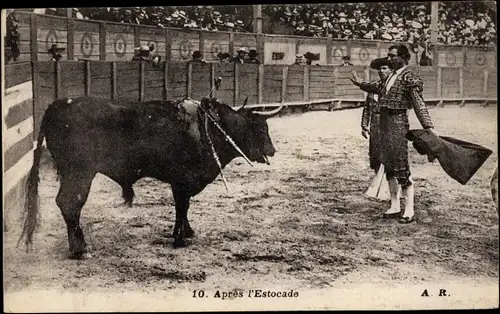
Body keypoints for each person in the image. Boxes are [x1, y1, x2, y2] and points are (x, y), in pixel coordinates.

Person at [351, 44, 435, 224]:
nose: (389, 59)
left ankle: (409, 210)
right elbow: (376, 87)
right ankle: (395, 205)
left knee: (400, 164)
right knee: (388, 164)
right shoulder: (391, 77)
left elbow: (419, 104)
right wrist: (360, 84)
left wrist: (428, 126)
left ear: (403, 58)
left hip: (397, 123)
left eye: (392, 56)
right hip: (383, 124)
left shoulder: (409, 78)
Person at [360, 57, 393, 174]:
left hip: (390, 123)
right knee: (375, 153)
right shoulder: (373, 86)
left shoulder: (394, 88)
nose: (381, 71)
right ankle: (378, 178)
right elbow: (367, 108)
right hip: (375, 123)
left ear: (391, 71)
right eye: (379, 69)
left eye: (384, 68)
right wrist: (364, 125)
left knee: (390, 154)